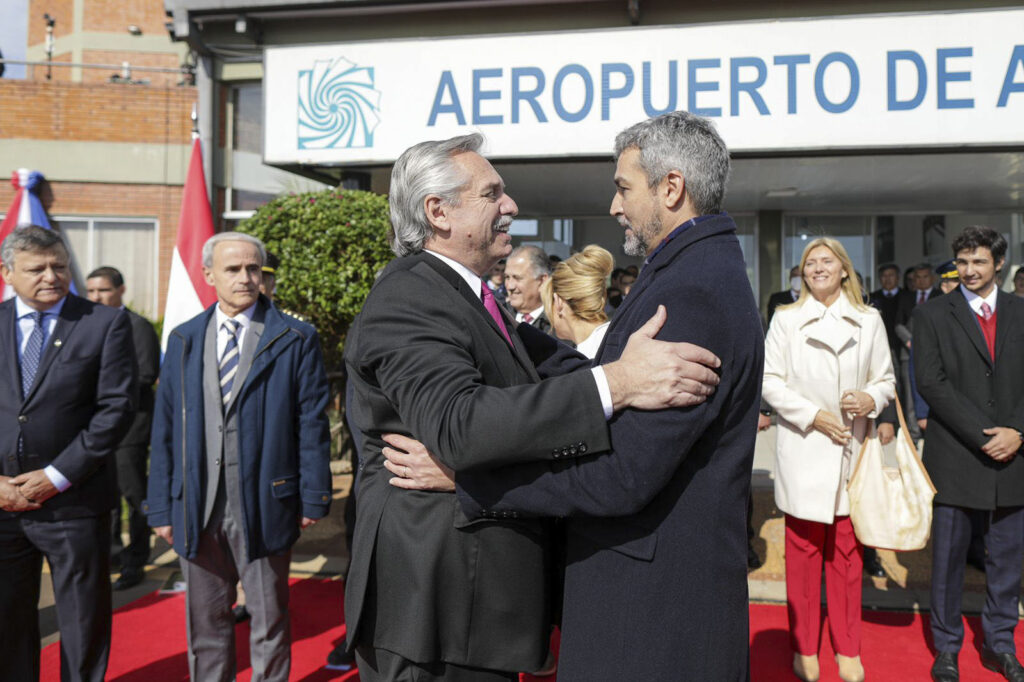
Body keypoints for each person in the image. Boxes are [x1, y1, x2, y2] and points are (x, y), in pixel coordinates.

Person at [386, 111, 764, 680]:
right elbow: (599, 367)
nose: (614, 206)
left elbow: (622, 474)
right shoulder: (687, 270)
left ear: (671, 188)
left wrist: (471, 480)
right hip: (647, 601)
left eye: (622, 187)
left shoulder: (694, 290)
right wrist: (506, 332)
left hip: (654, 618)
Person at [146, 231, 332, 682]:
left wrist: (312, 498)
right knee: (206, 621)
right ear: (209, 275)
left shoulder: (295, 337)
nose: (246, 278)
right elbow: (165, 425)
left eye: (254, 269)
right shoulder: (185, 338)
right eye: (233, 269)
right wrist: (159, 505)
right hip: (195, 504)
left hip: (267, 501)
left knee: (269, 620)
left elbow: (311, 423)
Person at [0, 226, 136, 682]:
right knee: (8, 624)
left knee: (81, 624)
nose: (51, 276)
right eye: (36, 268)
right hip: (2, 505)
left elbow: (116, 410)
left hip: (74, 503)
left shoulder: (104, 323)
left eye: (59, 265)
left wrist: (56, 475)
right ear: (7, 273)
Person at [762, 237, 895, 682]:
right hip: (804, 446)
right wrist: (814, 415)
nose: (817, 268)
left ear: (844, 270)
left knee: (847, 556)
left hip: (851, 453)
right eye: (809, 263)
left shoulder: (869, 319)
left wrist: (868, 397)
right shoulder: (785, 319)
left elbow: (887, 379)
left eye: (827, 261)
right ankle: (805, 647)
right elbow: (769, 382)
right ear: (801, 274)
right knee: (801, 556)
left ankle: (849, 648)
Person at [914, 226, 1024, 682]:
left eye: (979, 261)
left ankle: (1001, 643)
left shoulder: (1022, 312)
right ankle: (947, 648)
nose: (970, 270)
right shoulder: (934, 315)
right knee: (948, 563)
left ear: (999, 263)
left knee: (1006, 562)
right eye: (963, 261)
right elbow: (931, 383)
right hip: (957, 455)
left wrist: (1017, 431)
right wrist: (986, 435)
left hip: (1015, 459)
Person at [85, 266, 160, 591]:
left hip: (130, 429)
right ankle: (113, 554)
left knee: (134, 495)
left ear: (120, 290)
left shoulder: (137, 326)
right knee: (106, 496)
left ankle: (136, 559)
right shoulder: (86, 324)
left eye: (102, 290)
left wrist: (96, 387)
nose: (96, 297)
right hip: (93, 429)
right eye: (91, 291)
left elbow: (146, 374)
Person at [539, 244, 613, 358]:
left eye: (548, 305)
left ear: (558, 303)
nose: (548, 316)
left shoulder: (587, 359)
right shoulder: (619, 341)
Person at [504, 244, 552, 333]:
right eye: (507, 277)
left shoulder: (559, 323)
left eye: (517, 278)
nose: (510, 286)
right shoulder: (498, 316)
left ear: (542, 280)